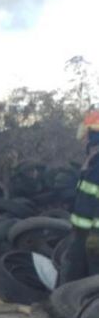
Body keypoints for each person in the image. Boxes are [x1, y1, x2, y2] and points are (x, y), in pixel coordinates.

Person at [63, 108, 99, 283]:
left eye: (89, 134)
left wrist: (95, 234)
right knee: (75, 268)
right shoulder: (93, 162)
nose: (86, 139)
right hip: (82, 231)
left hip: (93, 233)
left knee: (92, 275)